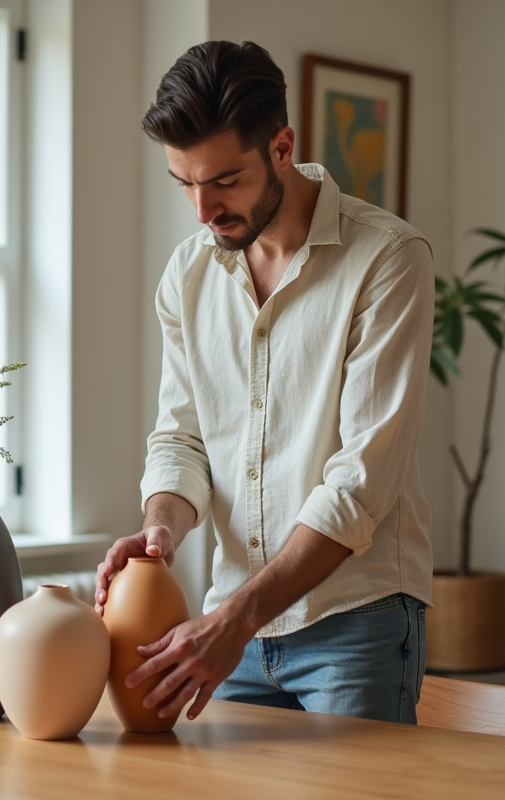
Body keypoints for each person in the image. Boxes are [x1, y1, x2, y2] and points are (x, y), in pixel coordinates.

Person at [94, 40, 433, 726]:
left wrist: (235, 618)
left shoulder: (389, 260)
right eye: (184, 183)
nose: (201, 209)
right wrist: (160, 528)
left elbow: (361, 481)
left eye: (223, 181)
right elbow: (181, 437)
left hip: (355, 626)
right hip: (230, 633)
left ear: (283, 146)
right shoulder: (188, 276)